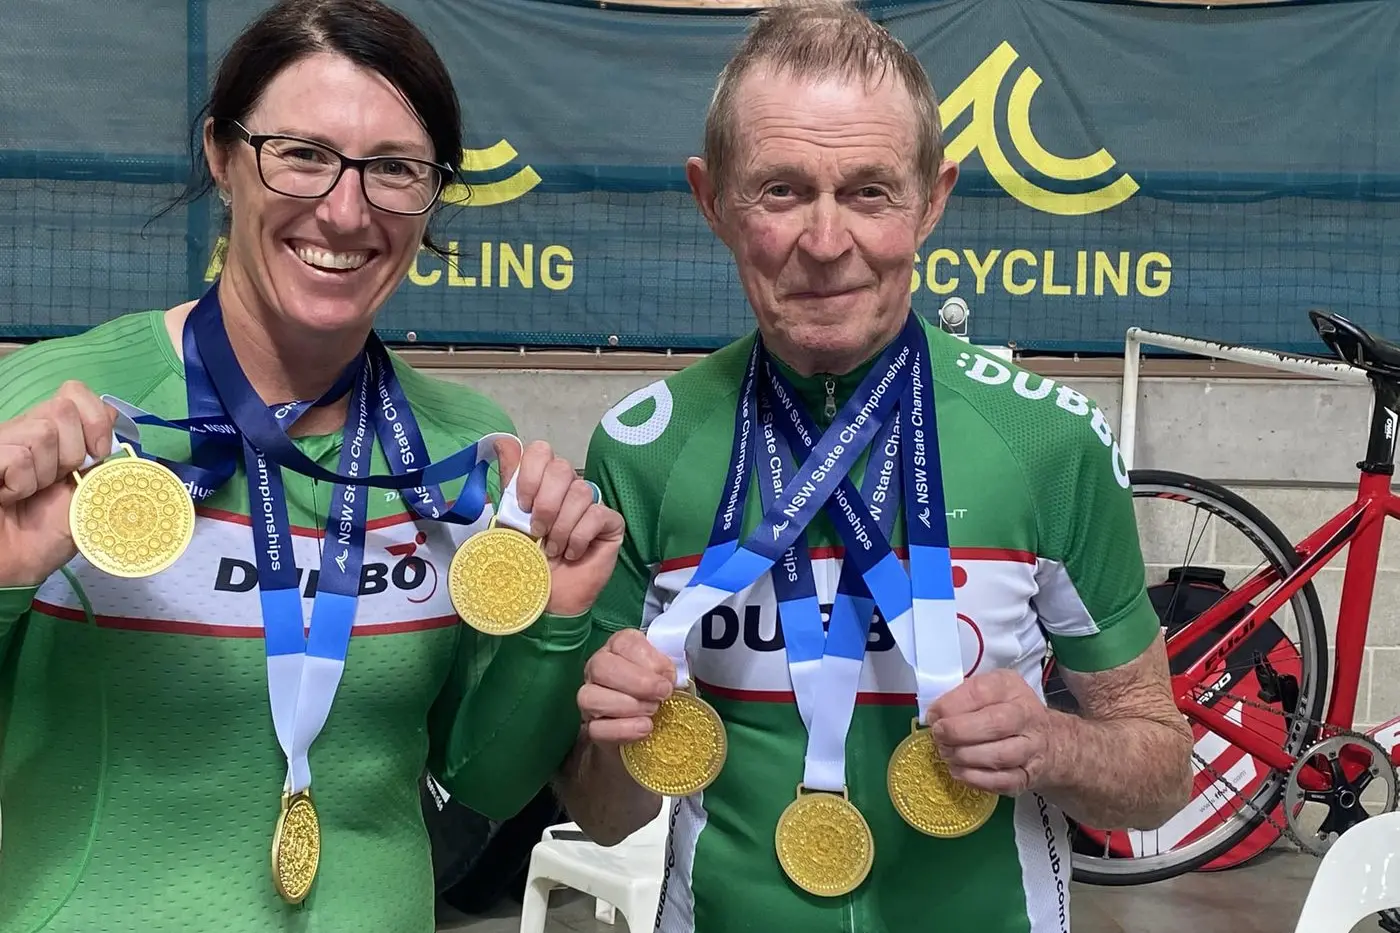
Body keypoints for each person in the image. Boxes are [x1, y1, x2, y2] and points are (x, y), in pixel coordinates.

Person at [555, 3, 1194, 932]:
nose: (824, 241)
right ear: (712, 199)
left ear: (932, 199)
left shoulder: (1047, 442)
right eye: (779, 190)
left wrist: (1053, 744)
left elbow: (1162, 772)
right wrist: (616, 742)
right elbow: (606, 814)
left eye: (869, 191)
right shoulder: (643, 449)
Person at [0, 2, 621, 931]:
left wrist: (555, 623)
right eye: (301, 153)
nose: (345, 208)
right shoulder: (46, 406)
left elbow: (481, 775)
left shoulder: (461, 448)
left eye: (395, 170)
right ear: (222, 154)